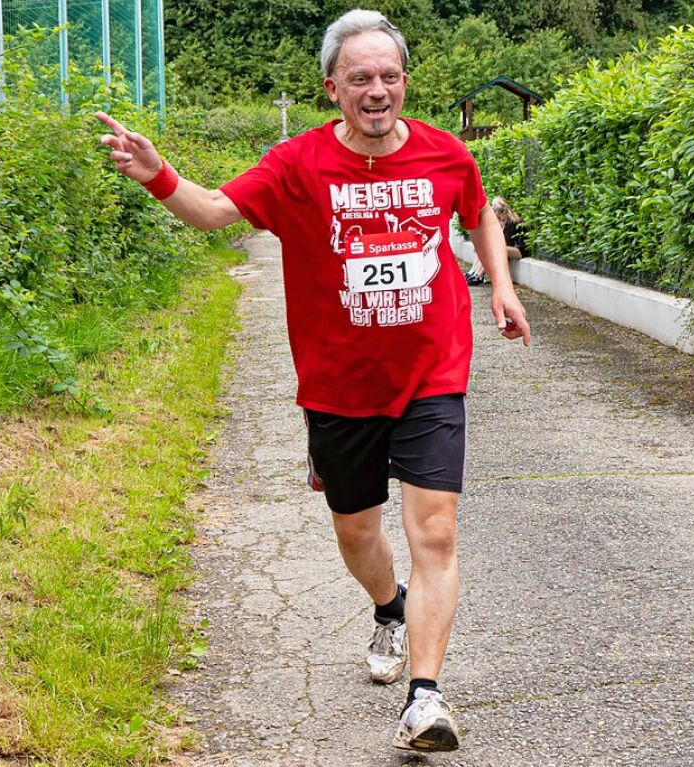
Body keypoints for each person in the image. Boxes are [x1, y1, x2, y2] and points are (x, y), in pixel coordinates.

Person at [96, 8, 530, 753]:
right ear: (333, 87)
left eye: (389, 76)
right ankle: (388, 607)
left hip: (432, 372)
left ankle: (425, 697)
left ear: (403, 82)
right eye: (360, 78)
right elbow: (213, 212)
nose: (377, 89)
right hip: (338, 388)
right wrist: (157, 174)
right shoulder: (297, 164)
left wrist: (500, 285)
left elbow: (479, 209)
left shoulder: (444, 153)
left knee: (435, 530)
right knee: (358, 532)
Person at [465, 196, 524, 286]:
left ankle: (478, 275)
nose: (492, 210)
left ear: (502, 211)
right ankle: (473, 272)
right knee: (483, 245)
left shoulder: (511, 222)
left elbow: (506, 243)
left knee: (490, 247)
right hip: (508, 249)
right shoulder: (501, 222)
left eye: (494, 207)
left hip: (518, 251)